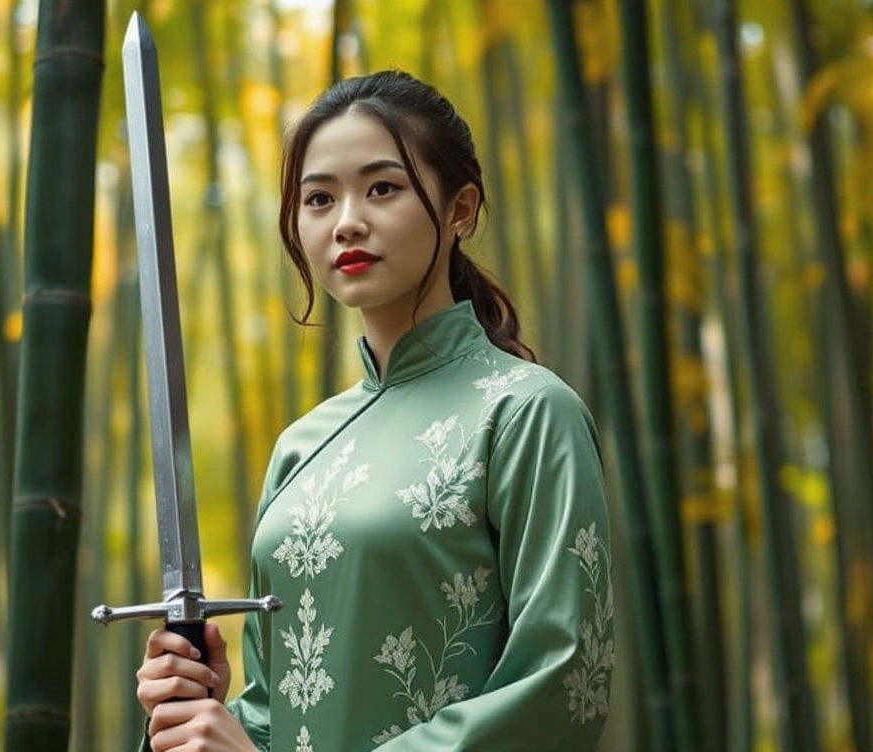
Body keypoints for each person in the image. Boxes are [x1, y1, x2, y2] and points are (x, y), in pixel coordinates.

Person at [136, 69, 613, 751]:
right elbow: (276, 714)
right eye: (319, 199)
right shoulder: (303, 447)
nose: (347, 220)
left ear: (460, 209)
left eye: (382, 188)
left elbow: (564, 686)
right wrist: (199, 712)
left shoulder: (527, 413)